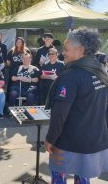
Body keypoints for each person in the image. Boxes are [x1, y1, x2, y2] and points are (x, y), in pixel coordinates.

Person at [45, 27, 108, 184]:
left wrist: (50, 139)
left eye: (66, 49)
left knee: (58, 174)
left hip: (68, 141)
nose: (62, 53)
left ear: (80, 50)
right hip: (93, 141)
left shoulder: (71, 76)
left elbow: (60, 113)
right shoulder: (100, 72)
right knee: (83, 176)